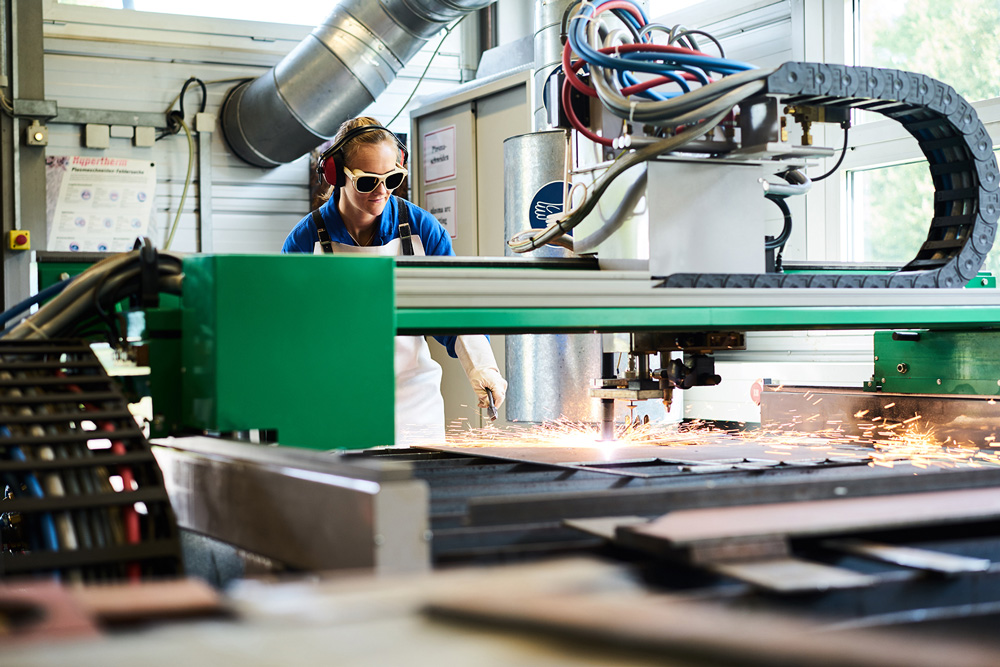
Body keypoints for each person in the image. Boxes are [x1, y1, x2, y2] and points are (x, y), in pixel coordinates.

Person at [282, 116, 507, 445]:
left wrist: (482, 366)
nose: (382, 191)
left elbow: (455, 305)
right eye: (367, 182)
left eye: (392, 179)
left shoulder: (421, 229)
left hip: (412, 404)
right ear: (334, 173)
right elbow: (289, 333)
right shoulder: (305, 241)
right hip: (330, 401)